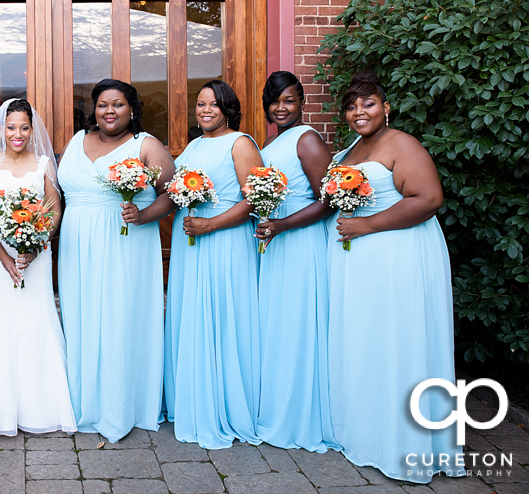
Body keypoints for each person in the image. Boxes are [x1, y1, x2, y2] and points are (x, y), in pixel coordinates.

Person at [327, 72, 462, 482]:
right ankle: (368, 434)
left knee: (396, 342)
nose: (358, 112)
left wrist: (365, 226)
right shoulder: (354, 147)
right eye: (351, 106)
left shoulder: (401, 143)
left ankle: (404, 443)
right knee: (368, 345)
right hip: (361, 263)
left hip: (395, 257)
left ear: (386, 108)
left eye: (368, 103)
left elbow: (428, 198)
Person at [57, 79, 176, 442]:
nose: (110, 111)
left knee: (119, 316)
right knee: (82, 316)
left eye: (119, 104)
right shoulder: (76, 140)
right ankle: (83, 402)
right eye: (103, 104)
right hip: (77, 246)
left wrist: (142, 216)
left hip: (126, 243)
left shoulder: (146, 145)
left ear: (132, 109)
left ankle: (120, 405)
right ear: (94, 109)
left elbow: (172, 194)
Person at [0, 99, 77, 437]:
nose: (18, 133)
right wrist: (5, 257)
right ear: (0, 129)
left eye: (24, 127)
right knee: (1, 317)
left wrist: (38, 243)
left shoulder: (43, 164)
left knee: (36, 316)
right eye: (11, 127)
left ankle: (40, 406)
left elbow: (54, 209)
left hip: (37, 256)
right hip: (1, 259)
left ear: (32, 129)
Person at [163, 79, 263, 448]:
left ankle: (223, 403)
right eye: (201, 104)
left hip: (223, 240)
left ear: (227, 108)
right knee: (192, 313)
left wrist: (211, 224)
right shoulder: (193, 145)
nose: (205, 110)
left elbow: (255, 200)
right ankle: (189, 398)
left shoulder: (241, 143)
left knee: (221, 316)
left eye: (213, 104)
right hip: (191, 241)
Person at [252, 71, 339, 452]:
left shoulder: (307, 140)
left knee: (297, 324)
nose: (281, 107)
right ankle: (275, 405)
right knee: (277, 325)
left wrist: (283, 224)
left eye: (289, 100)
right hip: (275, 243)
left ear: (302, 101)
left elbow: (329, 201)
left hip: (300, 244)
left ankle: (298, 414)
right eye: (274, 101)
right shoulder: (271, 141)